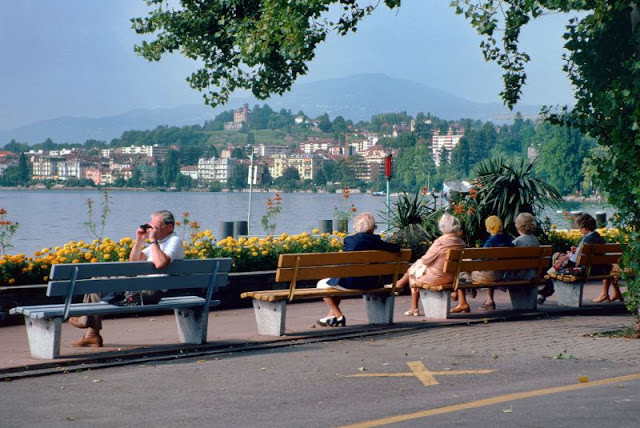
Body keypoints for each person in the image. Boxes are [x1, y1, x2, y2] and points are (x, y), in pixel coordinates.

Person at [69, 210, 185, 347]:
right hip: (139, 289)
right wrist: (140, 240)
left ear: (169, 227)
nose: (151, 230)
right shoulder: (160, 243)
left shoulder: (174, 241)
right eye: (150, 227)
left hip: (149, 294)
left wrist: (153, 241)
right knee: (98, 281)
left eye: (155, 228)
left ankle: (86, 320)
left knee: (104, 290)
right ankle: (91, 334)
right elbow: (134, 261)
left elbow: (160, 263)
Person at [316, 212, 400, 327]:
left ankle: (339, 315)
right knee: (335, 285)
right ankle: (331, 316)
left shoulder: (349, 241)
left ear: (356, 227)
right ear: (373, 228)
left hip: (351, 283)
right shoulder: (377, 242)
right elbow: (396, 248)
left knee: (321, 284)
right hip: (373, 283)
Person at [395, 213, 465, 316]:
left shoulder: (440, 242)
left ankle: (414, 307)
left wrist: (419, 262)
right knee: (416, 267)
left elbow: (426, 260)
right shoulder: (461, 243)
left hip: (436, 278)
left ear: (442, 227)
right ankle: (399, 284)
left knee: (414, 272)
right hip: (452, 278)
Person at [472, 215, 514, 311]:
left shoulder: (490, 242)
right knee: (490, 268)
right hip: (503, 274)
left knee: (465, 273)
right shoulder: (508, 240)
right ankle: (489, 301)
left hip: (491, 276)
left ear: (489, 228)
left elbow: (480, 260)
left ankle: (470, 290)